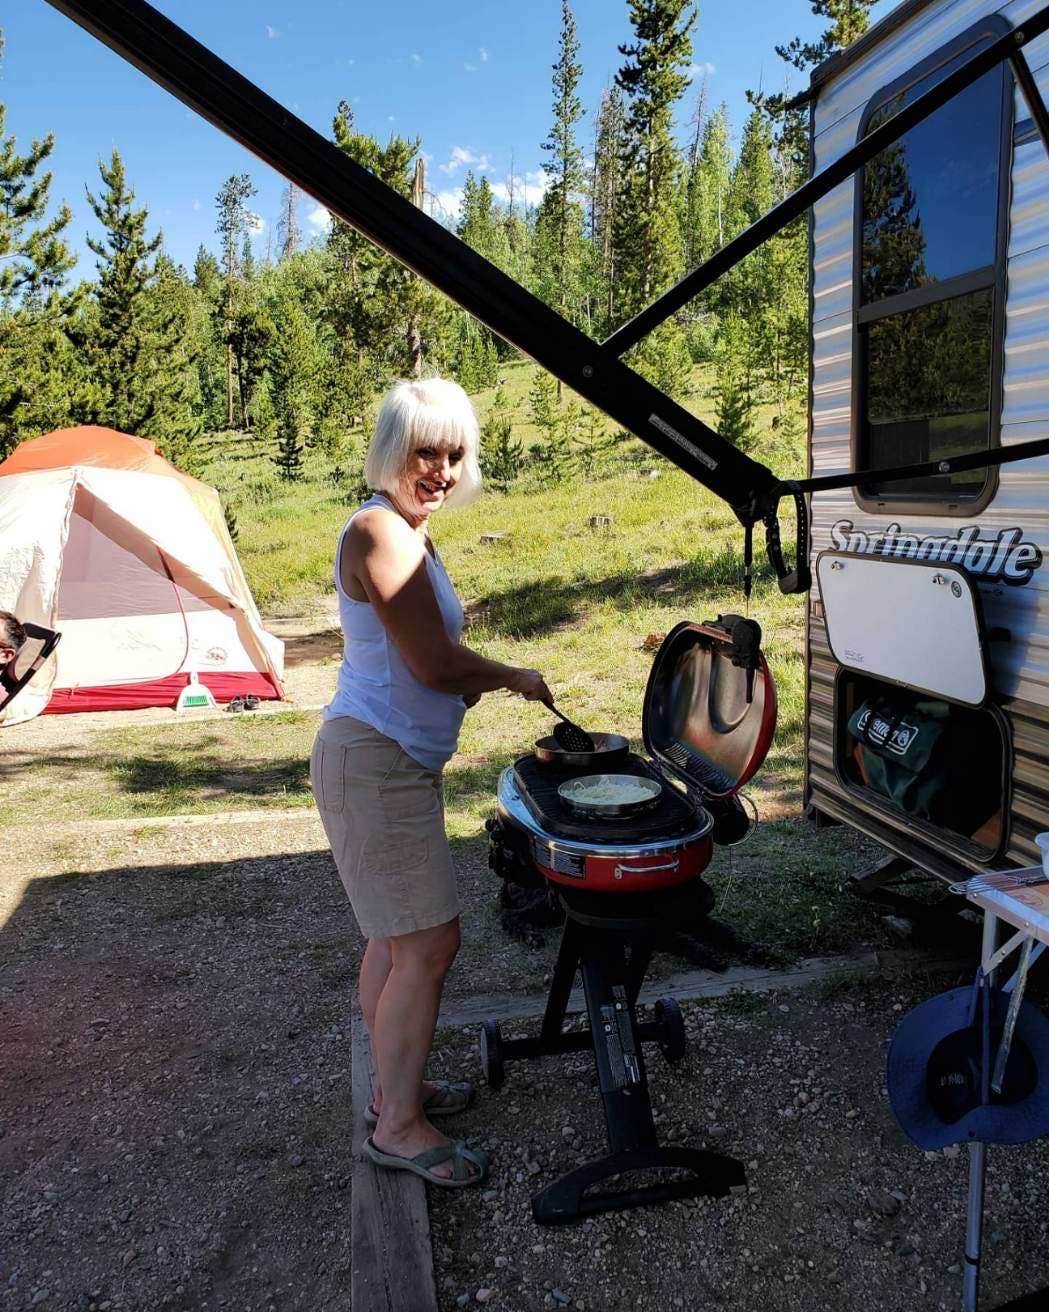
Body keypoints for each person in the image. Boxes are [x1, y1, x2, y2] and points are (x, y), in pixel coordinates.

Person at [311, 378, 551, 1189]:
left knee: (394, 937)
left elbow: (425, 662)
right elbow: (432, 663)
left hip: (388, 762)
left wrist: (461, 678)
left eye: (453, 454)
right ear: (391, 450)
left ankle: (393, 1091)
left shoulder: (409, 533)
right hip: (372, 765)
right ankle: (399, 1129)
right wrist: (510, 674)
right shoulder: (379, 532)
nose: (441, 469)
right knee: (427, 942)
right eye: (426, 451)